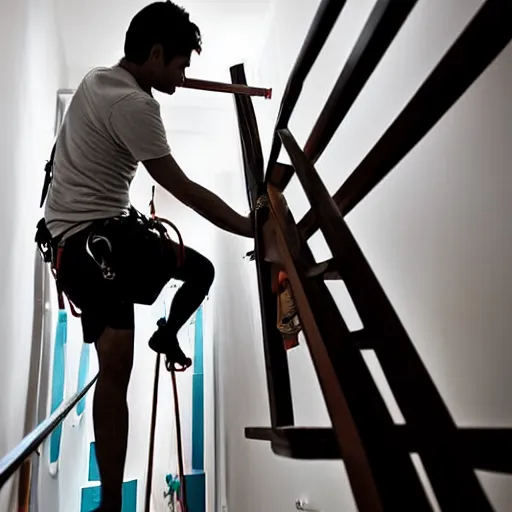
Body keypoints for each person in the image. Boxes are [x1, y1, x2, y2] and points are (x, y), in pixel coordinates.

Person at [41, 2, 253, 510]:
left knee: (195, 274)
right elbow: (182, 187)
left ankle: (167, 334)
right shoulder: (135, 106)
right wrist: (249, 226)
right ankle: (113, 503)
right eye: (179, 63)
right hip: (96, 246)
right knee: (117, 366)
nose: (183, 74)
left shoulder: (99, 80)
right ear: (155, 54)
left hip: (79, 243)